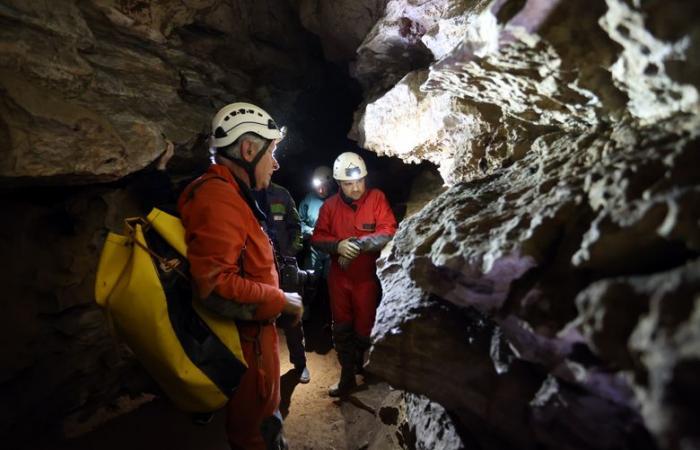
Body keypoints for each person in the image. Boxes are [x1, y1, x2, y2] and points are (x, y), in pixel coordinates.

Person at [178, 102, 303, 449]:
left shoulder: (233, 193)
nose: (275, 163)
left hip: (256, 346)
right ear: (248, 149)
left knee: (265, 424)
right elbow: (215, 285)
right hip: (249, 353)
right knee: (255, 436)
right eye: (271, 151)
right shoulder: (219, 198)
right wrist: (280, 299)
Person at [310, 152, 397, 397]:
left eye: (360, 181)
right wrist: (337, 246)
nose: (357, 187)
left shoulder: (376, 198)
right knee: (342, 327)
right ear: (339, 184)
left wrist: (357, 246)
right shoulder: (329, 207)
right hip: (339, 279)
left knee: (364, 326)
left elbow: (388, 230)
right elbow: (317, 237)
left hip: (365, 278)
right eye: (349, 183)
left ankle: (362, 366)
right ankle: (347, 374)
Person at [253, 182, 310, 384]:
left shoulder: (281, 193)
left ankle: (300, 363)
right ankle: (263, 372)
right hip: (258, 269)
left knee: (293, 317)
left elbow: (296, 226)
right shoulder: (241, 193)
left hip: (285, 266)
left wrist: (290, 253)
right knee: (259, 322)